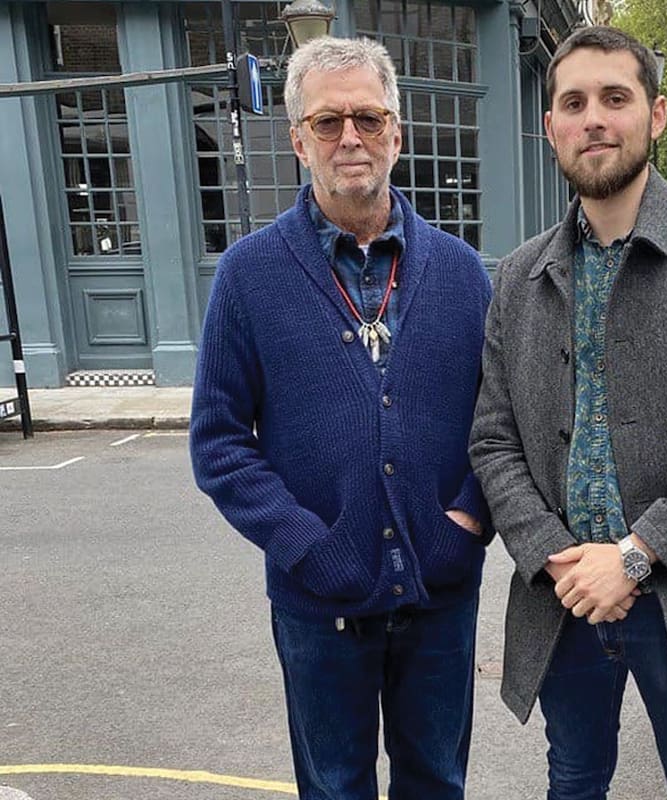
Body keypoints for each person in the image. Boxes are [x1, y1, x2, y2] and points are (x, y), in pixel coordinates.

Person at [469, 25, 667, 800]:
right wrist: (557, 555)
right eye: (573, 103)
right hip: (567, 594)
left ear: (657, 114)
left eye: (615, 98)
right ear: (550, 127)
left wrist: (636, 556)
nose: (594, 119)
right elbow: (492, 440)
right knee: (574, 779)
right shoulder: (517, 278)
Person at [189, 36, 491, 800]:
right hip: (318, 607)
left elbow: (506, 422)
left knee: (437, 783)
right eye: (327, 123)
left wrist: (468, 524)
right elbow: (219, 443)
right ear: (297, 141)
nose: (349, 137)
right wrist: (308, 548)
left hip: (440, 598)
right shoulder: (248, 276)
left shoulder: (461, 273)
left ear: (397, 132)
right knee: (333, 788)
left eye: (367, 117)